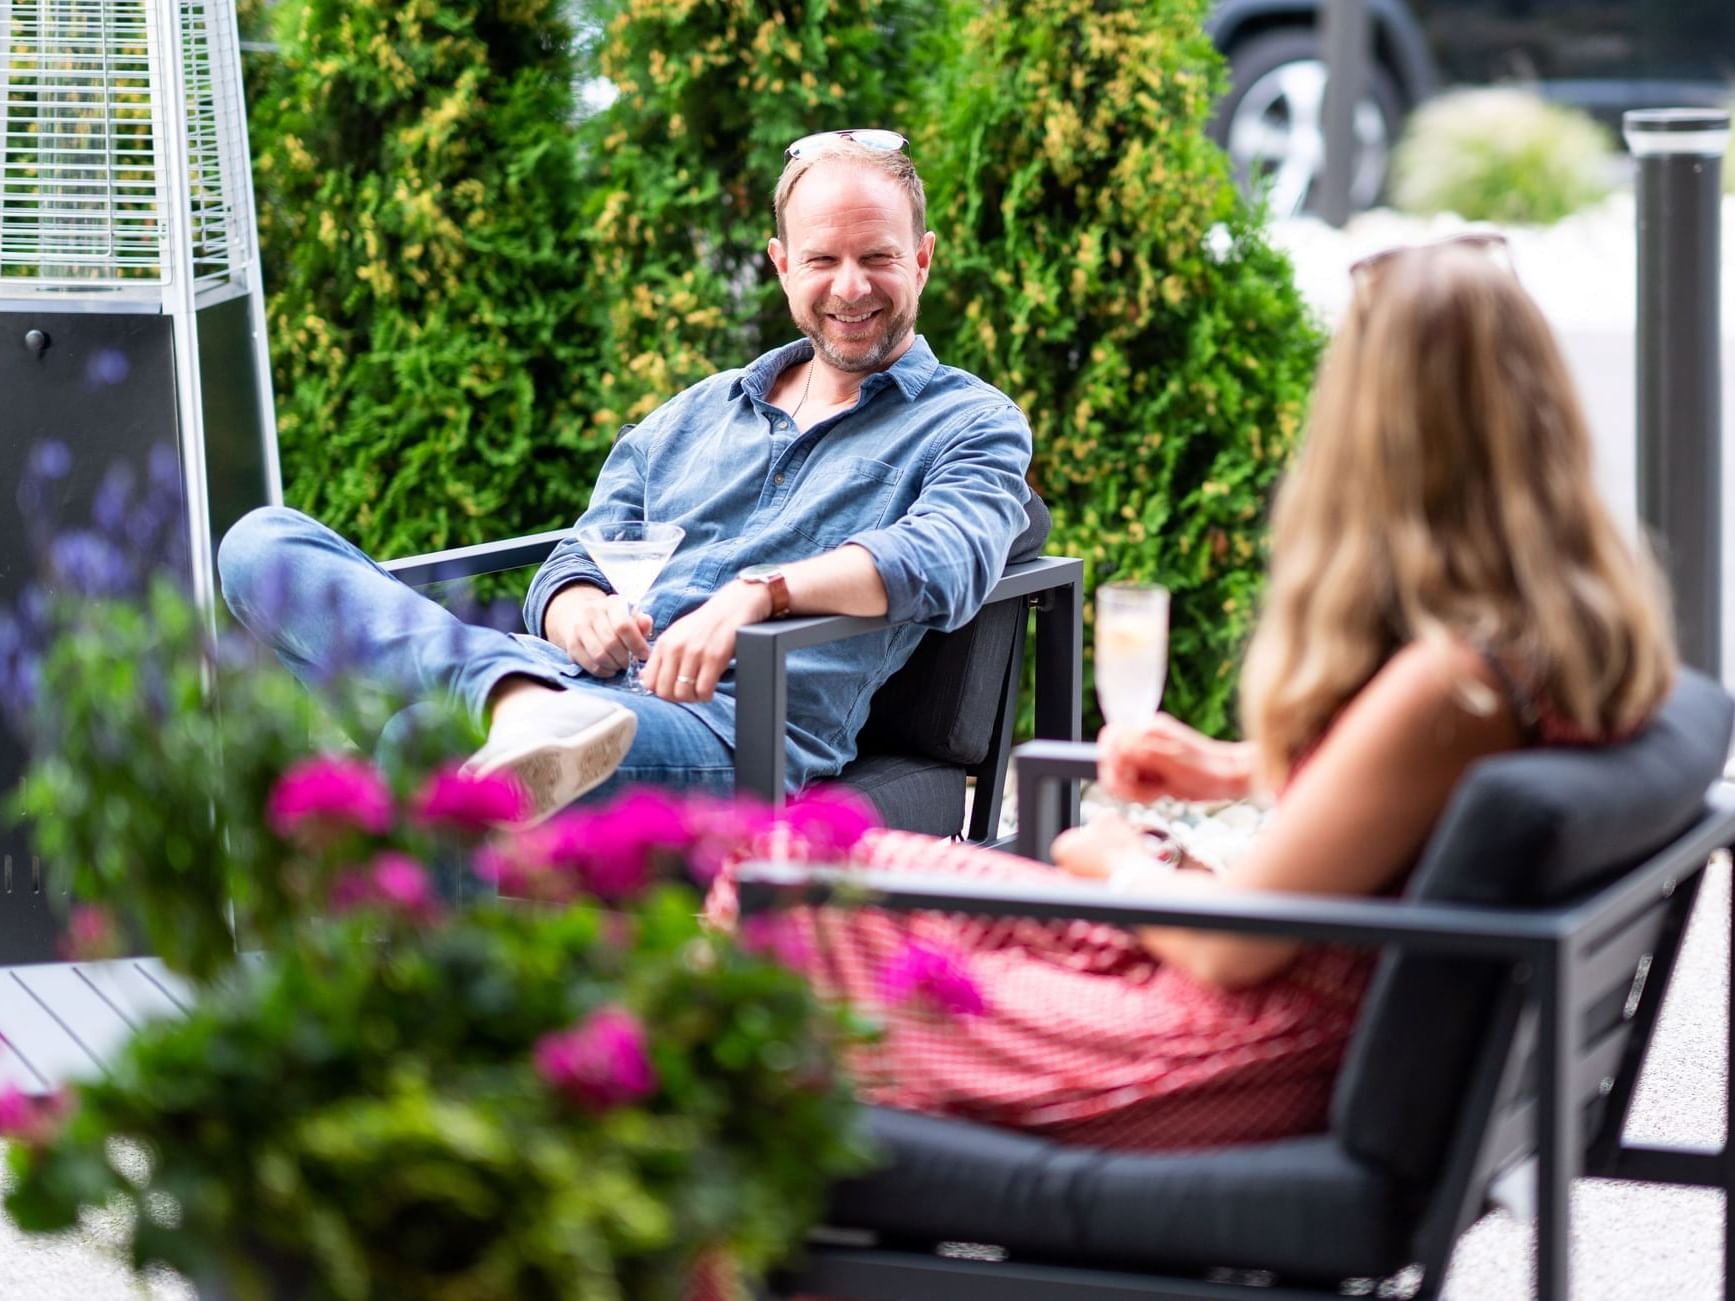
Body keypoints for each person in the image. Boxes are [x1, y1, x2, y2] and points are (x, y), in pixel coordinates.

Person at [751, 233, 1677, 1150]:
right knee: (801, 854)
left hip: (1227, 1039)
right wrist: (1237, 769)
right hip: (1271, 992)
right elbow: (1402, 795)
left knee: (784, 917)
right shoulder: (1548, 631)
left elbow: (1227, 948)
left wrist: (1114, 855)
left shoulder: (1452, 684)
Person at [219, 131, 1033, 823]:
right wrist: (576, 610)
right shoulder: (696, 412)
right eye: (823, 258)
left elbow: (941, 559)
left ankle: (488, 721)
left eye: (878, 257)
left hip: (729, 733)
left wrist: (756, 593)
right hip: (573, 679)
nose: (850, 286)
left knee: (420, 742)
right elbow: (577, 555)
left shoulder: (971, 422)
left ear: (921, 261)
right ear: (783, 266)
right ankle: (520, 704)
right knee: (261, 541)